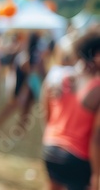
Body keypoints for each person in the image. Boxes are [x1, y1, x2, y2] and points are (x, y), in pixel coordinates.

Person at [41, 30, 100, 190]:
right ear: (95, 55)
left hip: (50, 148)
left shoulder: (61, 78)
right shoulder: (96, 88)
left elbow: (46, 112)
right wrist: (97, 175)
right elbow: (96, 138)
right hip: (77, 157)